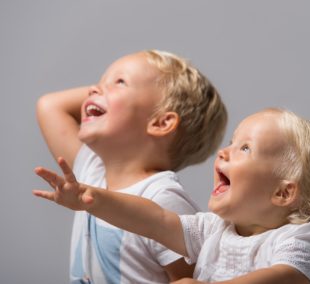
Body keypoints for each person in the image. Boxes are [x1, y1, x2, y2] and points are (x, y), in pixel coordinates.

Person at [34, 108, 310, 284]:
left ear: (283, 192)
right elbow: (156, 220)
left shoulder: (301, 240)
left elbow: (284, 277)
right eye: (232, 141)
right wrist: (92, 198)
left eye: (245, 148)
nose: (224, 152)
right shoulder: (214, 230)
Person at [34, 50, 227, 284]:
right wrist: (107, 89)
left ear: (161, 122)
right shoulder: (92, 170)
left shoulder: (162, 199)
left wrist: (103, 93)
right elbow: (49, 105)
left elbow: (191, 279)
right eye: (99, 82)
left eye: (120, 82)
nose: (94, 88)